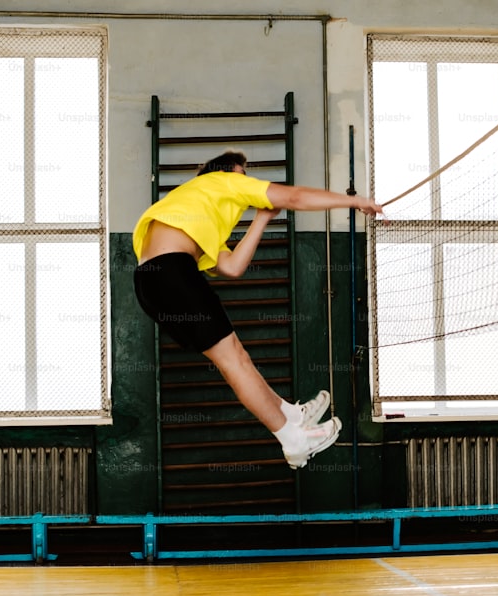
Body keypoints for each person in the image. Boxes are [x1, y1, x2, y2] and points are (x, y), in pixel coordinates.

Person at [132, 150, 383, 469]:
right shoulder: (222, 182)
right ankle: (293, 440)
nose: (248, 184)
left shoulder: (195, 212)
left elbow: (233, 266)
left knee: (234, 357)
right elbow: (294, 196)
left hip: (152, 282)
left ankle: (292, 415)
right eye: (243, 176)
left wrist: (262, 218)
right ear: (227, 173)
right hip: (171, 272)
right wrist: (356, 201)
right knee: (233, 358)